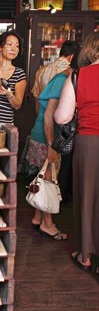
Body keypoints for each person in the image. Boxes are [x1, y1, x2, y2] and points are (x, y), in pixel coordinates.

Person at [54, 31, 99, 273]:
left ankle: (85, 255)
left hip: (89, 141)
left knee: (86, 196)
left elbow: (62, 116)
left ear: (89, 50)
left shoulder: (78, 75)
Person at [26, 62, 75, 240]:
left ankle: (38, 218)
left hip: (46, 137)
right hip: (47, 139)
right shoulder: (63, 80)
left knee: (43, 178)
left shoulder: (61, 79)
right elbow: (48, 116)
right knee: (49, 181)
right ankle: (48, 223)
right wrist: (51, 145)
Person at [31, 40, 82, 115]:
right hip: (64, 120)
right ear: (73, 57)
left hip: (43, 118)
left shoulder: (41, 70)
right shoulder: (72, 72)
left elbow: (37, 100)